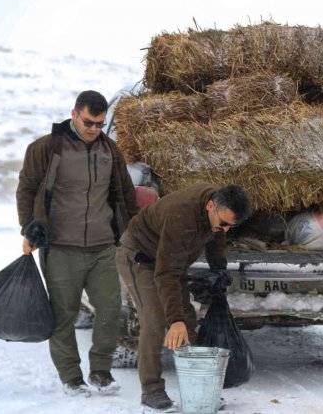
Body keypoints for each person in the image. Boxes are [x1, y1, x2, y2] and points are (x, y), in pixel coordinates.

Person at [16, 90, 139, 396]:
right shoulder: (46, 148)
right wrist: (29, 229)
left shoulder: (110, 150)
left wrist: (133, 232)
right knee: (63, 315)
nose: (94, 129)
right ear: (74, 114)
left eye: (99, 123)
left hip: (103, 246)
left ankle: (100, 371)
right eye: (88, 122)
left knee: (111, 310)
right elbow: (27, 189)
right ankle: (71, 376)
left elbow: (125, 193)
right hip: (60, 247)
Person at [115, 183, 251, 413]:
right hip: (139, 258)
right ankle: (151, 390)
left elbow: (216, 240)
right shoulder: (182, 217)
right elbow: (165, 274)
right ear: (211, 206)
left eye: (232, 226)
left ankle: (199, 386)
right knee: (156, 319)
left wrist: (219, 270)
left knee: (187, 319)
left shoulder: (216, 213)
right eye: (225, 223)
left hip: (169, 260)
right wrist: (174, 320)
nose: (226, 229)